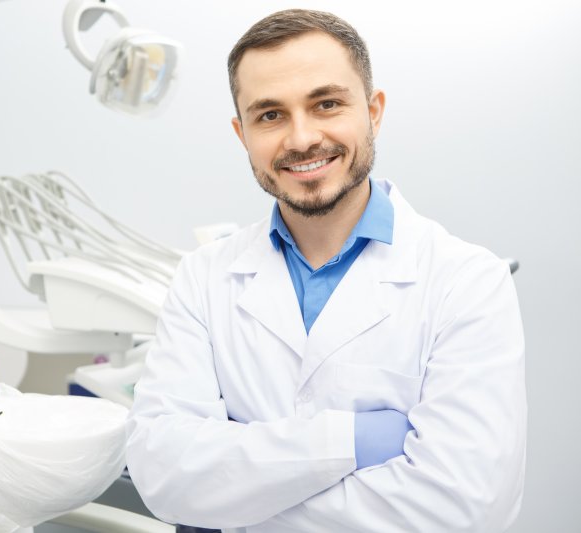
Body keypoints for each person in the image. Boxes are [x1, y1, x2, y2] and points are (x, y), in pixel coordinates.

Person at [126, 9, 526, 533]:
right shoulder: (203, 278)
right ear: (241, 132)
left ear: (374, 111)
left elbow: (466, 507)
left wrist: (238, 498)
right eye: (269, 115)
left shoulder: (469, 282)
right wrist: (355, 441)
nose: (301, 138)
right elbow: (163, 476)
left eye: (327, 104)